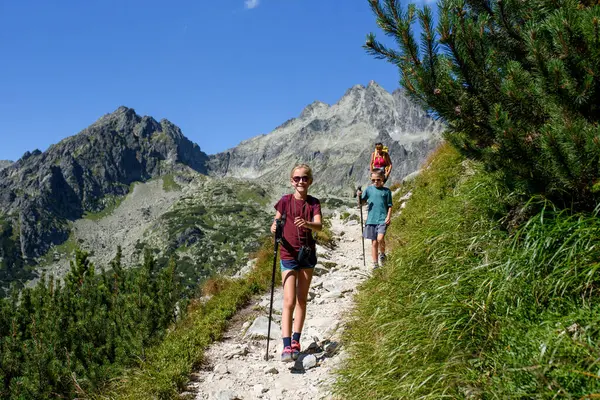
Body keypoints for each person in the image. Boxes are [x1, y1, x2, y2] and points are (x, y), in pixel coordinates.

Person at [270, 164, 322, 362]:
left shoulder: (314, 203)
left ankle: (296, 341)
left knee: (302, 299)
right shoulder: (284, 202)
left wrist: (307, 224)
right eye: (297, 178)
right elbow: (275, 223)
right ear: (292, 181)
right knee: (289, 300)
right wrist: (274, 227)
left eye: (305, 178)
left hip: (307, 254)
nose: (301, 181)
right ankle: (286, 346)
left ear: (310, 181)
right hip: (288, 254)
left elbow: (319, 225)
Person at [357, 170, 392, 269]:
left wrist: (388, 216)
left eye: (378, 180)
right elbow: (361, 203)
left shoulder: (387, 191)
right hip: (371, 219)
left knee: (380, 238)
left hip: (382, 219)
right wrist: (359, 196)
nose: (375, 182)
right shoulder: (368, 190)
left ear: (383, 179)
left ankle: (382, 253)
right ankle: (375, 264)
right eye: (373, 180)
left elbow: (390, 205)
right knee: (374, 242)